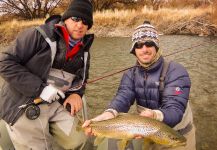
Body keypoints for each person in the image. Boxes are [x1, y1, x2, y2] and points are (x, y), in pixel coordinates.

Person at [83, 21, 196, 150]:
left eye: (149, 44)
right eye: (139, 45)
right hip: (146, 133)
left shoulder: (176, 71)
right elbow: (122, 98)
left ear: (156, 46)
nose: (144, 49)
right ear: (134, 50)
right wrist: (109, 114)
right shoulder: (130, 75)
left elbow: (175, 109)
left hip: (177, 134)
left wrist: (154, 115)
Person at [0, 0, 94, 149]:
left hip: (57, 105)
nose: (80, 25)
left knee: (81, 141)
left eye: (85, 21)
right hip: (23, 104)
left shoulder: (85, 50)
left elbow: (81, 80)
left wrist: (77, 93)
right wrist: (40, 89)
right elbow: (5, 63)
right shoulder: (38, 35)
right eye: (75, 19)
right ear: (66, 18)